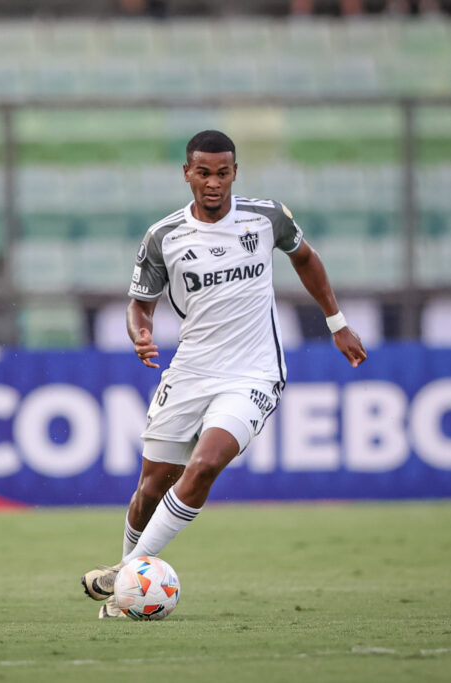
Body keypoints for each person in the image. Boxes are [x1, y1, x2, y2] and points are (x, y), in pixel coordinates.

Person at [80, 130, 367, 618]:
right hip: (191, 370)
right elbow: (139, 304)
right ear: (187, 173)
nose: (214, 183)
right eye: (204, 172)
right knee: (152, 487)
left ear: (235, 172)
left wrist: (336, 323)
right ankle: (127, 572)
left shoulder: (266, 218)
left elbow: (307, 260)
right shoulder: (163, 237)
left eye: (223, 173)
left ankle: (127, 575)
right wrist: (141, 333)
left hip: (253, 373)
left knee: (206, 463)